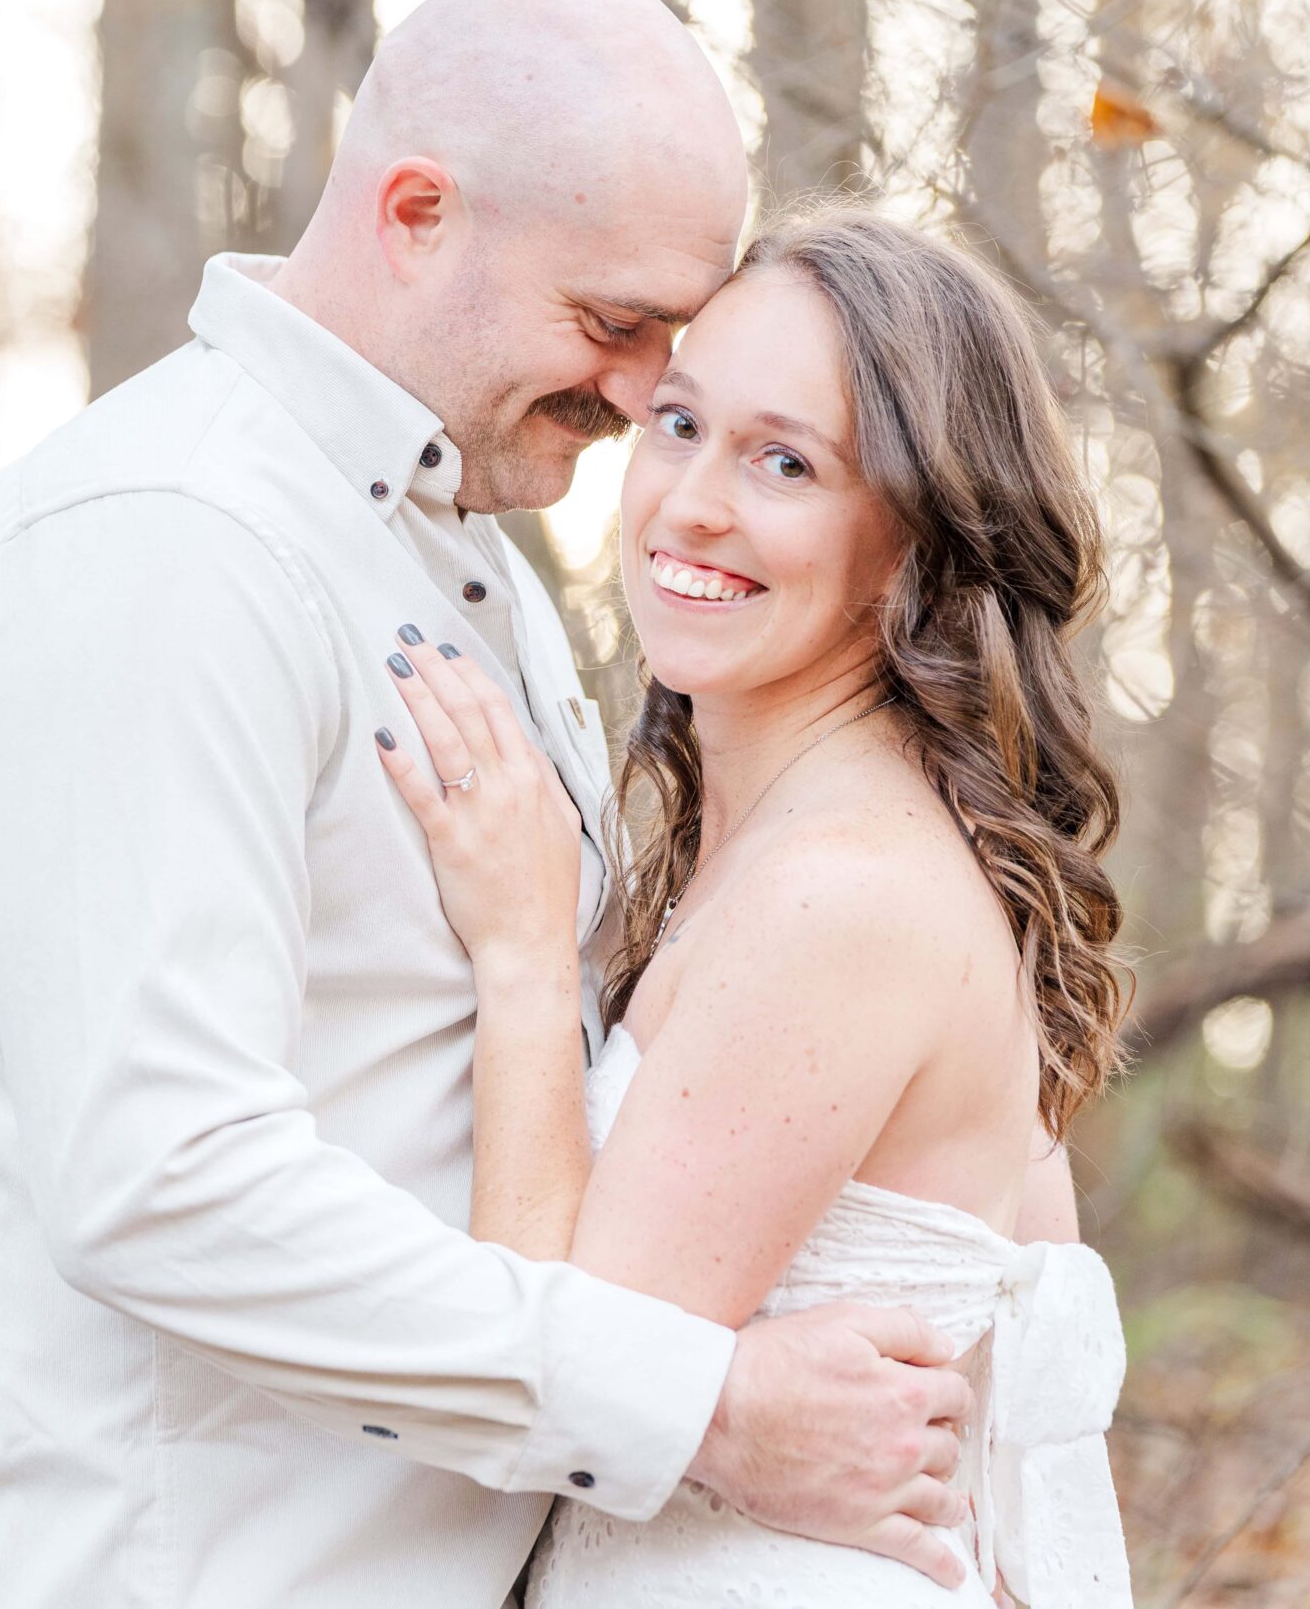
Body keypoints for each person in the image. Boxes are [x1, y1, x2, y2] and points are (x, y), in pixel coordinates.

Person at [0, 0, 982, 1608]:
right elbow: (162, 1181)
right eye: (614, 327)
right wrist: (701, 1411)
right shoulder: (169, 548)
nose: (640, 402)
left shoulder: (450, 553)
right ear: (416, 211)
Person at [374, 209, 1134, 1606]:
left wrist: (528, 961)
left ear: (914, 544)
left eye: (784, 461)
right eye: (678, 425)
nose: (692, 504)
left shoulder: (842, 894)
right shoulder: (834, 848)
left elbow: (558, 1384)